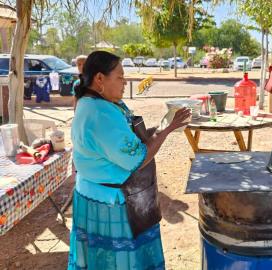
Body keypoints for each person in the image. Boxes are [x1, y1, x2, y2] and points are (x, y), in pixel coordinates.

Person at [67, 50, 191, 270]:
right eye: (120, 77)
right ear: (99, 79)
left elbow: (133, 140)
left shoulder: (94, 102)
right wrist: (168, 129)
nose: (125, 83)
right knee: (119, 262)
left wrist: (163, 125)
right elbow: (138, 157)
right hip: (110, 202)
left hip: (95, 194)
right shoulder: (100, 113)